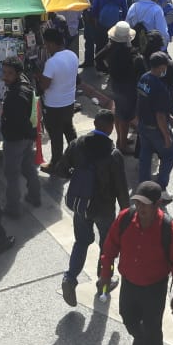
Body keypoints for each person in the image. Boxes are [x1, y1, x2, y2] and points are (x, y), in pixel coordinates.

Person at [97, 181, 173, 345]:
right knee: (127, 318)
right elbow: (110, 248)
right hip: (129, 284)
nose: (140, 208)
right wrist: (104, 274)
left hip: (154, 290)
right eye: (137, 203)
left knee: (154, 336)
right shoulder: (125, 218)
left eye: (145, 204)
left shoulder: (168, 229)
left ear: (157, 204)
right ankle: (140, 337)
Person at [53, 109, 129, 306]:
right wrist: (126, 215)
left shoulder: (77, 144)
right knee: (107, 248)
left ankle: (70, 278)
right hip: (104, 209)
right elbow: (121, 190)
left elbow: (61, 169)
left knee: (81, 242)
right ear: (111, 128)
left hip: (81, 204)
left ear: (95, 124)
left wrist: (77, 176)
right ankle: (103, 284)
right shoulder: (113, 155)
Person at [0, 58, 40, 219]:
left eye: (9, 73)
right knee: (28, 167)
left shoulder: (16, 95)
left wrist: (9, 133)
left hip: (15, 140)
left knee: (12, 174)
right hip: (27, 136)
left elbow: (17, 120)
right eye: (4, 72)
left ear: (18, 74)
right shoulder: (26, 85)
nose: (5, 76)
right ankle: (34, 196)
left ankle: (12, 208)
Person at [36, 28, 79, 170]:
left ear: (53, 43)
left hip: (54, 105)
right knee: (69, 129)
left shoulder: (52, 62)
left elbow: (45, 86)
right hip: (69, 102)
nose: (46, 48)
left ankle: (56, 163)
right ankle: (77, 156)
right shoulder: (72, 55)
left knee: (55, 135)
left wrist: (38, 76)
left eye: (47, 44)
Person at [97, 21, 144, 153]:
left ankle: (120, 139)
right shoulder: (131, 54)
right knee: (126, 116)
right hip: (128, 87)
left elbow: (98, 59)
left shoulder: (110, 48)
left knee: (119, 113)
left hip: (115, 84)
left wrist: (109, 69)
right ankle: (122, 145)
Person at [135, 52, 173, 195]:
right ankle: (161, 189)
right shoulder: (159, 87)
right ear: (162, 67)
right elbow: (159, 115)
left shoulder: (144, 78)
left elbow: (148, 103)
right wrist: (166, 136)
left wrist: (169, 116)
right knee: (169, 155)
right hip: (155, 129)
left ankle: (144, 187)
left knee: (145, 155)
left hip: (143, 126)